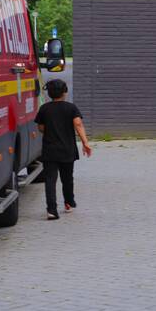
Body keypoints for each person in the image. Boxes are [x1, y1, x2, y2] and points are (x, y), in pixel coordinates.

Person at [36, 79, 92, 220]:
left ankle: (51, 210)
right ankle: (68, 202)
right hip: (67, 149)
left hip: (50, 150)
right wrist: (85, 143)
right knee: (67, 178)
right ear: (65, 92)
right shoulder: (71, 108)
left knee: (50, 180)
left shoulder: (44, 109)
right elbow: (78, 124)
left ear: (49, 93)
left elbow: (41, 128)